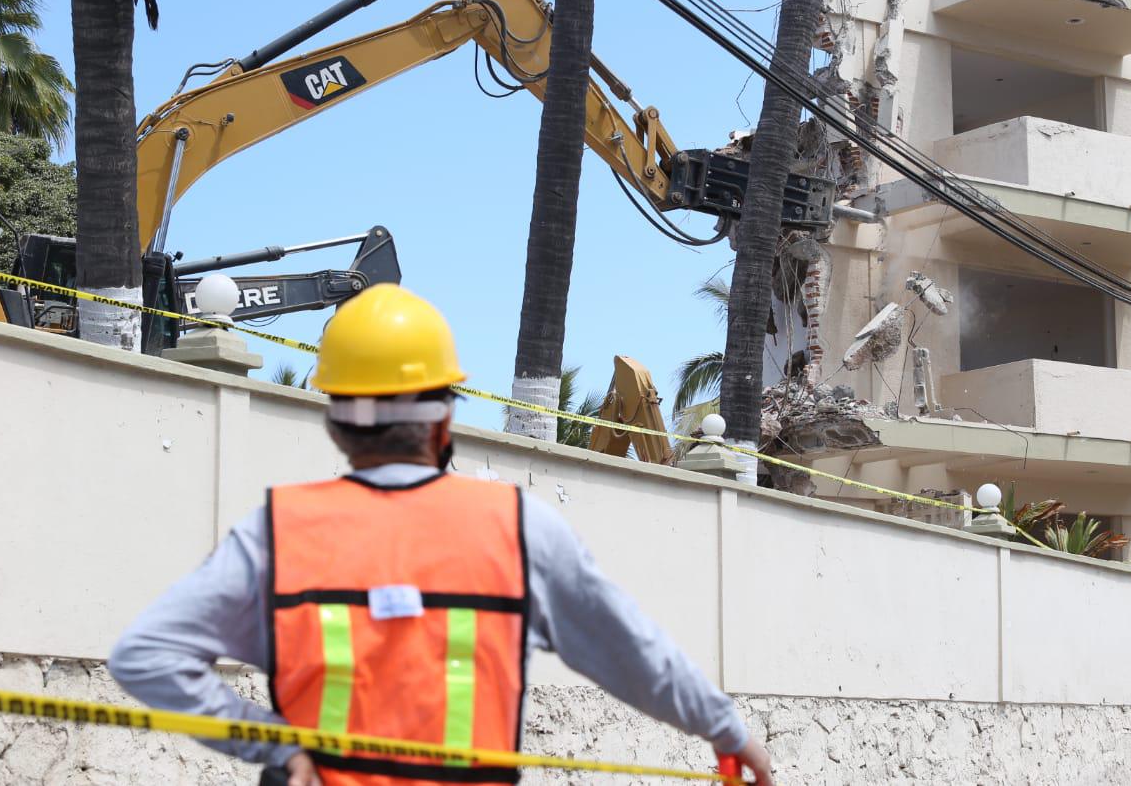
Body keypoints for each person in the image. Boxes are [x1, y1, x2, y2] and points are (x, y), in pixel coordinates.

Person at [109, 284, 772, 786]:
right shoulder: (519, 530)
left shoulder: (276, 534)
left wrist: (276, 744)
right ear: (443, 418)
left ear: (338, 421)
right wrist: (726, 726)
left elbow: (144, 657)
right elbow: (632, 652)